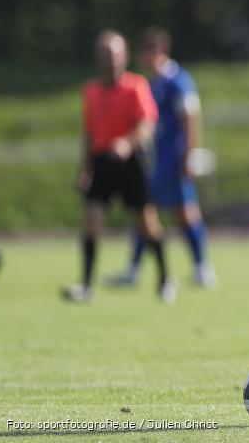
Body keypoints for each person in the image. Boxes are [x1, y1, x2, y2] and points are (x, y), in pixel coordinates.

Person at [64, 30, 176, 303]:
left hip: (130, 163)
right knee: (92, 220)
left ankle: (165, 279)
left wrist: (127, 143)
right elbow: (89, 134)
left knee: (147, 224)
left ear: (124, 57)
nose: (109, 60)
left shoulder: (136, 86)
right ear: (97, 58)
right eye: (104, 55)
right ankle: (86, 285)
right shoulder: (90, 91)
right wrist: (86, 169)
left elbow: (147, 125)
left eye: (114, 54)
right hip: (102, 161)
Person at [108, 27, 215, 289]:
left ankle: (200, 268)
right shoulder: (154, 83)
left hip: (175, 159)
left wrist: (188, 156)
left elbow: (191, 119)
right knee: (158, 213)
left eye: (147, 52)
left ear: (160, 51)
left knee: (173, 211)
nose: (144, 58)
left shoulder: (178, 81)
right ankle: (140, 270)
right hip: (159, 161)